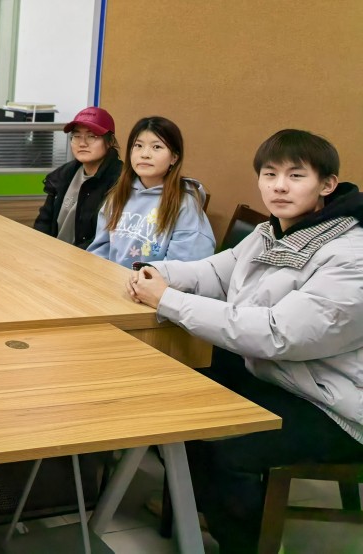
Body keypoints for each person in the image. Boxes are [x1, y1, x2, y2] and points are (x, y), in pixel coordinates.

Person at [128, 129, 363, 553]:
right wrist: (155, 273)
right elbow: (217, 272)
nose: (279, 186)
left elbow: (278, 334)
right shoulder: (273, 231)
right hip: (280, 374)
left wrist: (168, 300)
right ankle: (197, 503)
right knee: (175, 396)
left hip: (334, 403)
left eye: (296, 176)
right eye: (270, 174)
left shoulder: (350, 253)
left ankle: (241, 541)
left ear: (327, 184)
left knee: (226, 447)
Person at [88, 115, 214, 265]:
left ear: (174, 157)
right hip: (110, 277)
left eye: (157, 147)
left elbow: (184, 267)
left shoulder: (184, 203)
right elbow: (100, 250)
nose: (145, 154)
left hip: (154, 280)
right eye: (138, 145)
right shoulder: (119, 194)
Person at [34, 107, 123, 249]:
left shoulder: (120, 181)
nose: (82, 143)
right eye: (76, 136)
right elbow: (44, 222)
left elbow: (108, 237)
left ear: (110, 141)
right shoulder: (64, 174)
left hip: (86, 258)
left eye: (91, 136)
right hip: (52, 253)